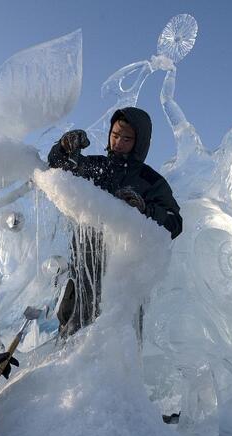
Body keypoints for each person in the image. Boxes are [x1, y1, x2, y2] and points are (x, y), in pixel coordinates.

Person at [48, 107, 182, 336]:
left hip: (122, 284)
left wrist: (144, 209)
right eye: (115, 135)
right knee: (69, 342)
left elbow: (174, 223)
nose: (118, 142)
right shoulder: (96, 167)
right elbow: (57, 168)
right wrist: (64, 146)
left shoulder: (151, 181)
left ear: (139, 143)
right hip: (82, 274)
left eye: (127, 138)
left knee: (114, 350)